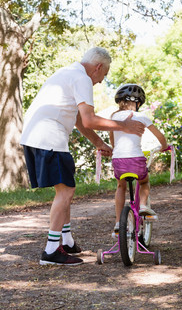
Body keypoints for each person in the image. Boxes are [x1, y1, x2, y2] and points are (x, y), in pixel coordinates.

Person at [20, 47, 145, 266]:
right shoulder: (83, 78)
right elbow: (89, 119)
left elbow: (78, 119)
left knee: (64, 187)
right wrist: (123, 126)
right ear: (98, 67)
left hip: (33, 135)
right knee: (66, 191)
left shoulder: (66, 72)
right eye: (103, 75)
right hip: (49, 137)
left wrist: (99, 143)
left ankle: (66, 241)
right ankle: (51, 251)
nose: (99, 82)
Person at [109, 83, 168, 233]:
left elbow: (113, 141)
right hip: (136, 159)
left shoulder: (114, 117)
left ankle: (117, 223)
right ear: (138, 102)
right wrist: (164, 146)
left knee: (120, 187)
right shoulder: (141, 116)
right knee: (144, 181)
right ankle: (143, 206)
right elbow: (160, 137)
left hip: (119, 161)